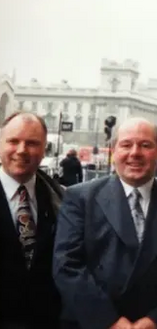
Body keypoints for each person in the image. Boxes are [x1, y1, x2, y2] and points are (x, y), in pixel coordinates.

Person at [53, 118, 157, 329]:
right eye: (126, 145)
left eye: (145, 145)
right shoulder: (80, 198)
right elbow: (67, 266)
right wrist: (109, 321)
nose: (135, 153)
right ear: (113, 150)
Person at [0, 112, 63, 328]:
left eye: (32, 143)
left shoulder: (63, 200)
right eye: (13, 141)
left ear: (44, 149)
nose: (21, 150)